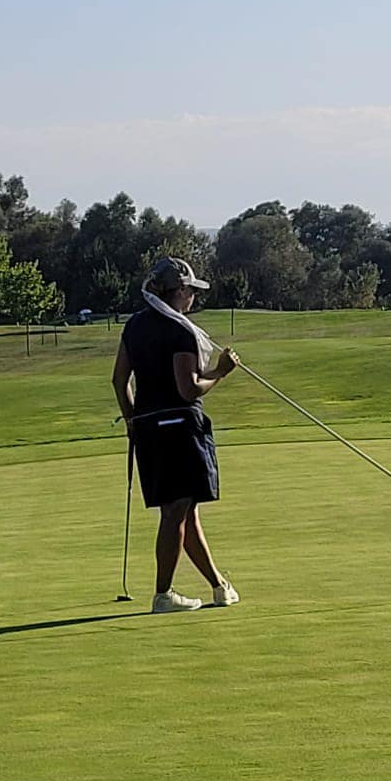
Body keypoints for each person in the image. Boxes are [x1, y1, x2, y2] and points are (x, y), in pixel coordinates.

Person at [110, 257, 240, 612]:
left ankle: (219, 586)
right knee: (176, 512)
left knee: (184, 511)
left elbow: (120, 381)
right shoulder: (181, 331)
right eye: (190, 291)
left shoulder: (135, 325)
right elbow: (188, 389)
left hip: (150, 431)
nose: (193, 297)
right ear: (179, 291)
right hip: (180, 431)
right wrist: (221, 372)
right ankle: (163, 594)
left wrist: (133, 420)